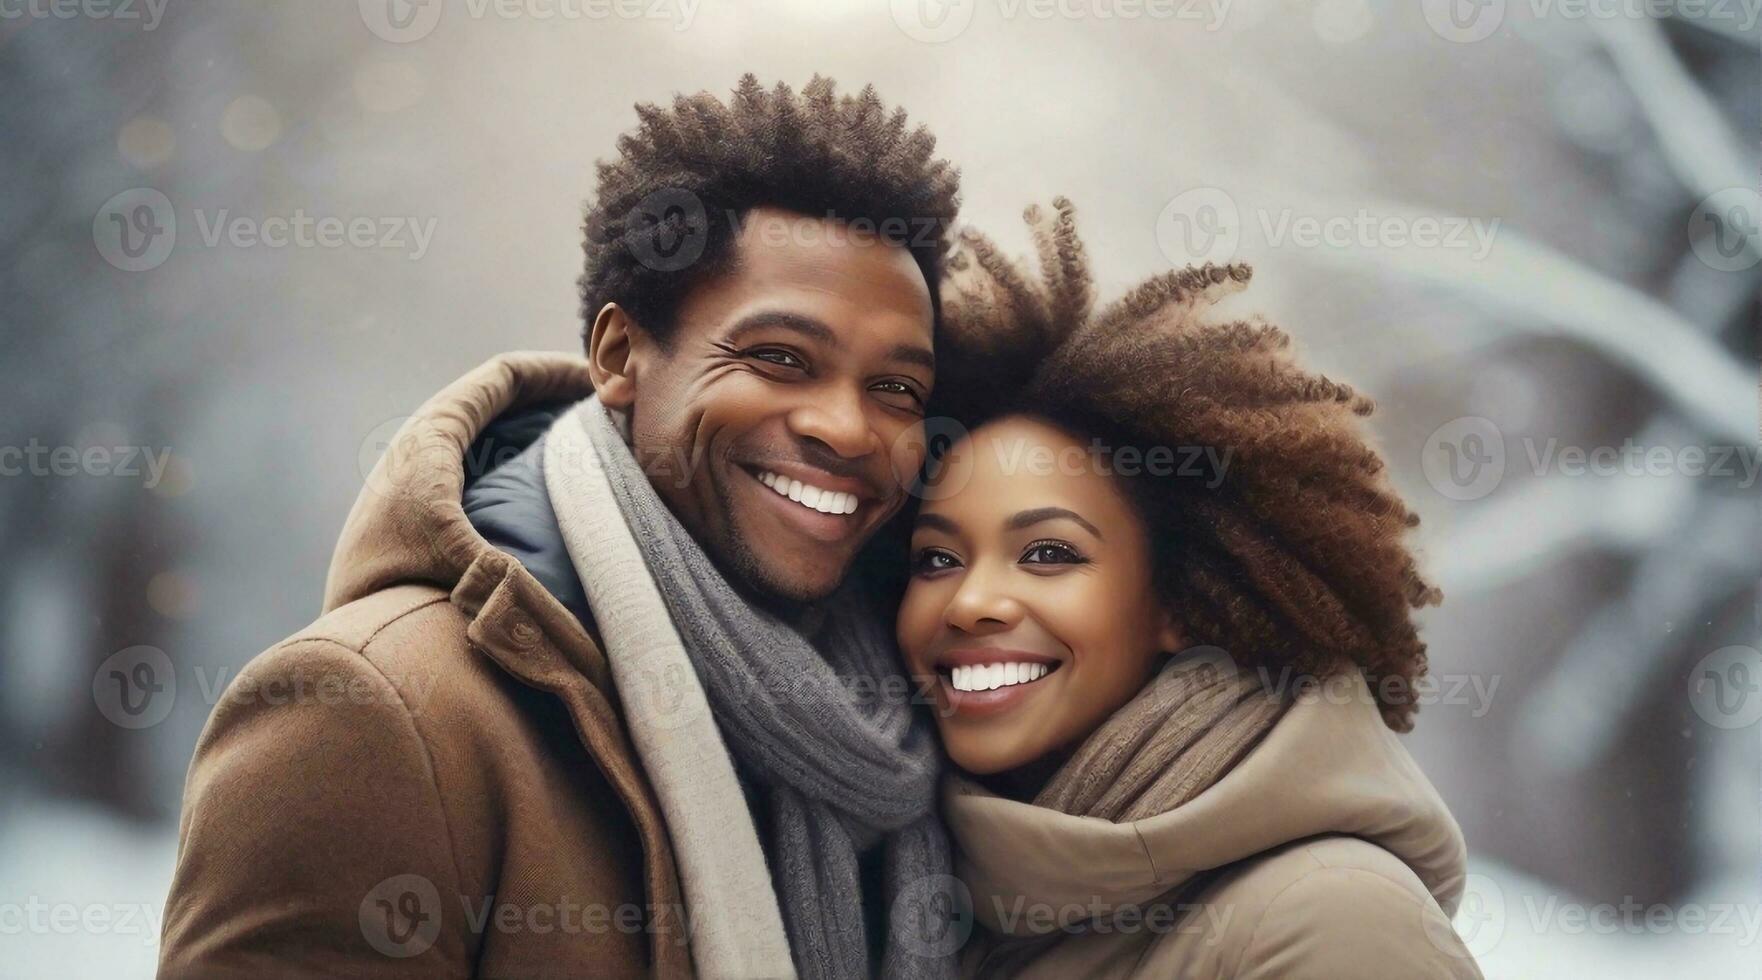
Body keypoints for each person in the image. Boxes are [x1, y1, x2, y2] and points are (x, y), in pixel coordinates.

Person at [159, 75, 964, 979]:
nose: (848, 429)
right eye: (779, 358)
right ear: (620, 357)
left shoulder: (917, 730)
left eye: (896, 389)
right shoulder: (372, 715)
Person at [893, 200, 1484, 978]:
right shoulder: (955, 913)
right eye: (937, 559)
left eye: (1045, 552)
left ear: (1177, 602)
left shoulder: (1330, 919)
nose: (970, 603)